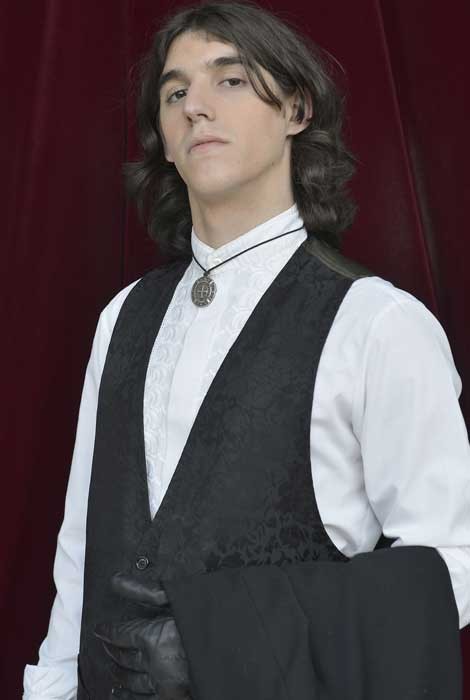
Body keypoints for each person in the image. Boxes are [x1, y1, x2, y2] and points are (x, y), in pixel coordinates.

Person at [23, 1, 470, 698]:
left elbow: (452, 568)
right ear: (164, 140)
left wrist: (233, 647)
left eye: (229, 80)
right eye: (175, 93)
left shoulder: (377, 324)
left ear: (296, 109)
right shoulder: (122, 318)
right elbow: (81, 550)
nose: (196, 106)